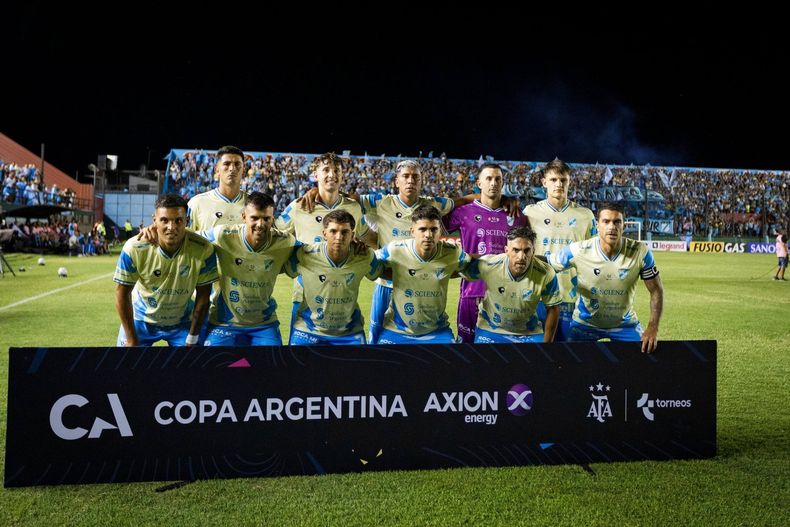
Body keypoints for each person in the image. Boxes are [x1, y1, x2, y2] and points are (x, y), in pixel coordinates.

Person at [549, 201, 663, 353]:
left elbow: (656, 290)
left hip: (625, 325)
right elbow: (547, 264)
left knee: (646, 357)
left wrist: (652, 327)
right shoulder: (579, 250)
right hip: (584, 324)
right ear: (597, 225)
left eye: (617, 222)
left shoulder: (641, 252)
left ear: (625, 226)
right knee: (570, 362)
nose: (611, 227)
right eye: (606, 221)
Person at [113, 194, 218, 347]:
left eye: (178, 220)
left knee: (192, 367)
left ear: (187, 221)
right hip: (141, 321)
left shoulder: (203, 249)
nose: (171, 227)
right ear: (154, 220)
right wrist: (131, 339)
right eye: (164, 220)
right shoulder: (135, 247)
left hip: (182, 322)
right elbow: (121, 293)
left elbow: (203, 296)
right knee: (127, 365)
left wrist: (193, 337)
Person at [443, 163, 530, 343]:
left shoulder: (517, 215)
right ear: (479, 183)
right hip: (472, 291)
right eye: (488, 178)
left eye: (498, 179)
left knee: (501, 349)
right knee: (467, 347)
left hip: (506, 294)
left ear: (503, 183)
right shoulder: (464, 212)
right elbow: (437, 226)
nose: (493, 183)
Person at [201, 192, 300, 345]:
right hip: (224, 323)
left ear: (272, 219)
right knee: (215, 363)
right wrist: (154, 232)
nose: (260, 224)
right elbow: (190, 239)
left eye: (266, 219)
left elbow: (314, 254)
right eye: (254, 218)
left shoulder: (286, 241)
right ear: (244, 217)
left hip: (264, 324)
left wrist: (349, 247)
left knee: (274, 363)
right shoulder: (223, 235)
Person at [375, 205, 472, 344]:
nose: (428, 235)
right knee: (383, 364)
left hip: (437, 331)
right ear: (412, 231)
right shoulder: (394, 250)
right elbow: (369, 264)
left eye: (434, 229)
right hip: (396, 330)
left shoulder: (453, 253)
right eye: (423, 229)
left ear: (440, 231)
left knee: (452, 363)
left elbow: (475, 267)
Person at [284, 209, 382, 345]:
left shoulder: (365, 256)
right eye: (333, 231)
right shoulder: (304, 254)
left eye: (344, 232)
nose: (339, 237)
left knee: (360, 366)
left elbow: (383, 273)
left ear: (352, 234)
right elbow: (279, 266)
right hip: (308, 330)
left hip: (349, 332)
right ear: (324, 234)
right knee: (295, 364)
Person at [523, 159, 596, 341]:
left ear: (569, 182)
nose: (559, 184)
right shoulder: (529, 213)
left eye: (563, 180)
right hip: (536, 295)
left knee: (570, 356)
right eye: (554, 179)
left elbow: (595, 256)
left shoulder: (585, 215)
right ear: (544, 182)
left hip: (572, 298)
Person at [464, 226, 560, 343]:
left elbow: (553, 308)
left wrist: (547, 344)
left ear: (533, 251)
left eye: (526, 250)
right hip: (490, 329)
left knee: (540, 360)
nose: (521, 257)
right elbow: (457, 267)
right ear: (506, 251)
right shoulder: (489, 265)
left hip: (529, 332)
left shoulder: (546, 273)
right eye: (516, 250)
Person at [187, 145, 248, 231]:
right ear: (217, 170)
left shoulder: (254, 204)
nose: (232, 168)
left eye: (237, 164)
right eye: (226, 164)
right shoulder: (196, 203)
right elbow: (186, 239)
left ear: (243, 170)